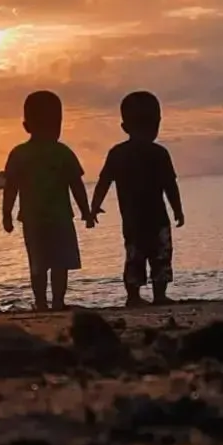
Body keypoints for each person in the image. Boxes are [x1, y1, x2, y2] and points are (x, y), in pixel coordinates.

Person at [89, 90, 184, 307]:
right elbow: (170, 186)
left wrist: (94, 207)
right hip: (156, 218)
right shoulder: (158, 153)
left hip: (134, 220)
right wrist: (178, 210)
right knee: (158, 256)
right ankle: (155, 295)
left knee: (136, 257)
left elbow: (104, 182)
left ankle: (135, 296)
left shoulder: (119, 153)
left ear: (125, 127)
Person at [2, 90, 95, 311]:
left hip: (35, 219)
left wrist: (6, 214)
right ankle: (57, 302)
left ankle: (42, 302)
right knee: (58, 263)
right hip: (58, 218)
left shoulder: (20, 154)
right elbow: (77, 186)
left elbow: (10, 188)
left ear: (26, 125)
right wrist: (86, 212)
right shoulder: (62, 152)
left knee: (39, 263)